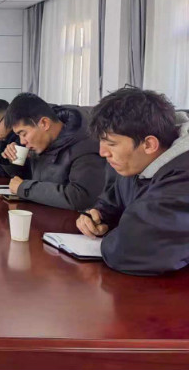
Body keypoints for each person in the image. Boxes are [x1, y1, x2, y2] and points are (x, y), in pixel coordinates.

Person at [76, 88, 189, 276]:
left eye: (111, 144)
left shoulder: (183, 177)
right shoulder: (136, 163)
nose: (102, 152)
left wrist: (117, 232)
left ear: (149, 144)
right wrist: (99, 216)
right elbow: (113, 201)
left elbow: (130, 250)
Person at [0, 93, 105, 211]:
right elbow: (32, 179)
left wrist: (25, 188)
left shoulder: (84, 144)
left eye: (24, 134)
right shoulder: (43, 140)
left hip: (70, 220)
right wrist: (13, 160)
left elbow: (80, 197)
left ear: (44, 123)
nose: (22, 141)